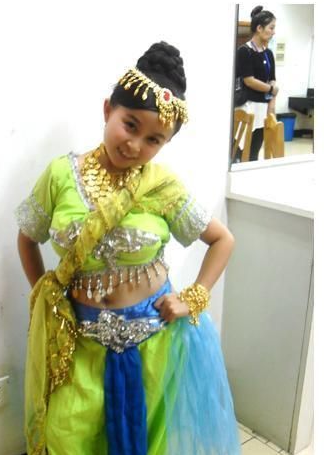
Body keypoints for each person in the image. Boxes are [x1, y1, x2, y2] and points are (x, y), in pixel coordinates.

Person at [15, 41, 241, 455]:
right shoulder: (61, 175)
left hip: (153, 339)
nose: (135, 145)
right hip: (78, 339)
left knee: (147, 440)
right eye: (130, 125)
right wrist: (48, 298)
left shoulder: (163, 186)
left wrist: (193, 297)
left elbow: (222, 240)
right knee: (68, 436)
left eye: (154, 139)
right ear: (108, 110)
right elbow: (28, 238)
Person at [234, 6, 278, 161]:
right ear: (259, 28)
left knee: (254, 152)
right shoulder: (244, 51)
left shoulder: (268, 53)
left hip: (262, 108)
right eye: (271, 28)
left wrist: (272, 103)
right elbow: (249, 80)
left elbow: (272, 78)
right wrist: (271, 89)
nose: (273, 32)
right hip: (246, 107)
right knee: (239, 152)